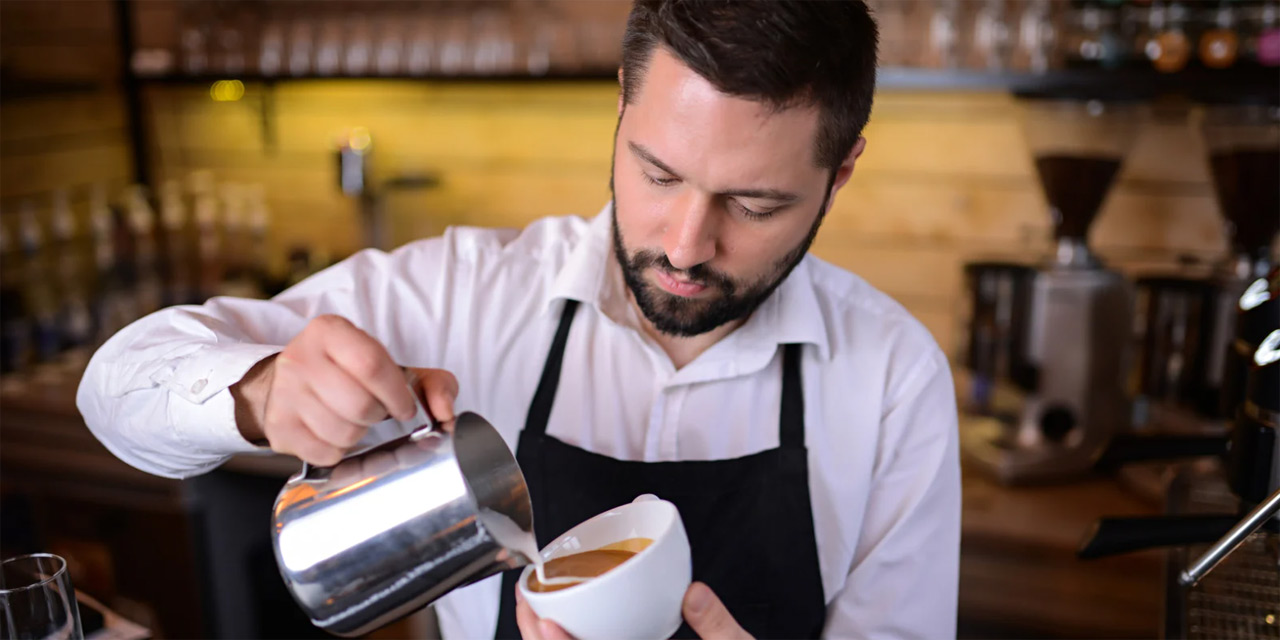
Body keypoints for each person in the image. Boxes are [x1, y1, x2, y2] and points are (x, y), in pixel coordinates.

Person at [78, 1, 960, 638]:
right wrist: (259, 391)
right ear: (621, 104)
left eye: (755, 204)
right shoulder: (464, 292)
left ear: (840, 174)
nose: (687, 246)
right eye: (657, 174)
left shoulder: (889, 375)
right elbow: (115, 386)